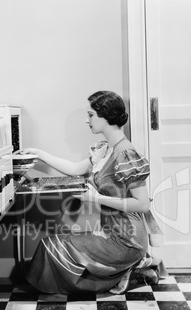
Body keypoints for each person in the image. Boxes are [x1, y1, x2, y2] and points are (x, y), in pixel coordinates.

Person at [21, 90, 166, 295]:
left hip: (127, 239)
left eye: (90, 115)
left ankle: (131, 264)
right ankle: (132, 267)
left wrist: (96, 198)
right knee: (53, 243)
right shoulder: (106, 149)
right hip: (112, 232)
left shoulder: (126, 154)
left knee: (51, 246)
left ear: (106, 116)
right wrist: (39, 154)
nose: (86, 120)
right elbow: (74, 169)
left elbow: (142, 204)